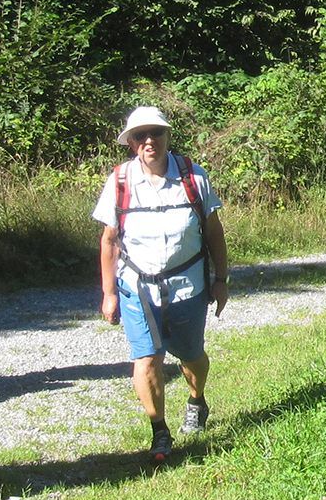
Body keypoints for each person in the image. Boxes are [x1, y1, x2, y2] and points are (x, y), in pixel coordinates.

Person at [93, 106, 229, 463]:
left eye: (156, 133)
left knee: (191, 355)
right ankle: (160, 432)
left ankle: (196, 399)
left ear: (168, 136)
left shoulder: (193, 177)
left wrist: (221, 280)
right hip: (137, 286)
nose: (149, 141)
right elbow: (109, 240)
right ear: (132, 142)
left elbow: (214, 233)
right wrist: (108, 293)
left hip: (188, 285)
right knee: (147, 357)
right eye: (141, 135)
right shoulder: (120, 182)